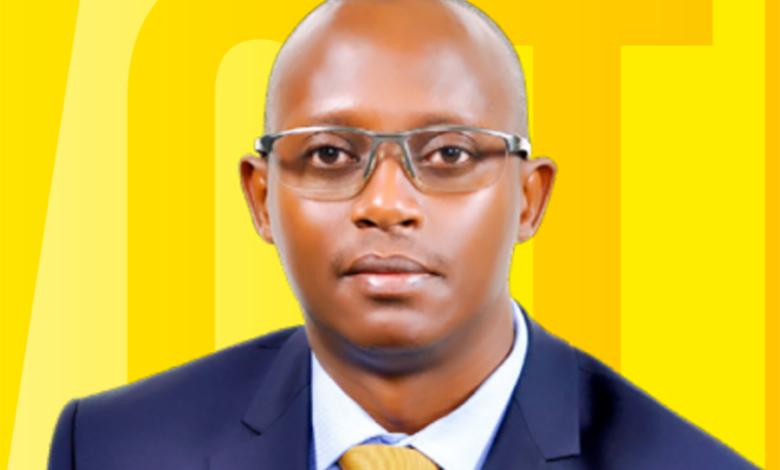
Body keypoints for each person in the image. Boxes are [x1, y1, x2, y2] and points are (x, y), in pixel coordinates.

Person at [48, 0, 759, 469]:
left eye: (449, 154)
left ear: (529, 199)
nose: (387, 204)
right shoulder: (111, 450)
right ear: (261, 199)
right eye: (331, 154)